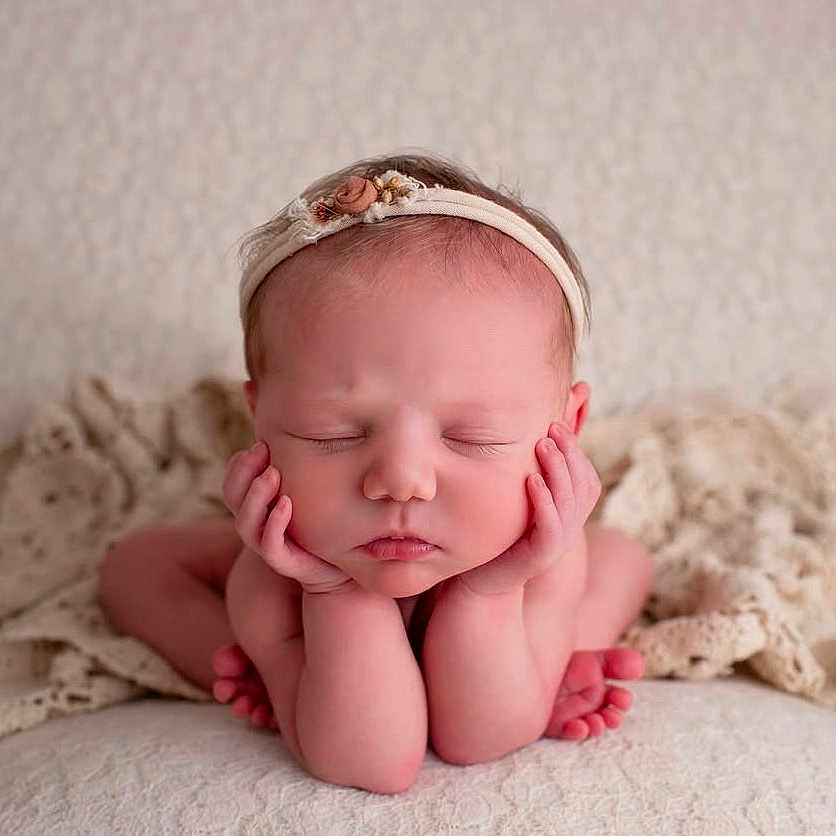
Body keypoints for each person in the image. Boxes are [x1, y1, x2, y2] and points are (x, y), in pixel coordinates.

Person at [98, 151, 653, 794]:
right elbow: (376, 764)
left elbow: (476, 741)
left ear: (567, 427)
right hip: (317, 560)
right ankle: (263, 671)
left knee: (621, 558)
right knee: (134, 565)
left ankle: (552, 658)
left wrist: (491, 591)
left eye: (473, 438)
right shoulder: (273, 579)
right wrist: (330, 591)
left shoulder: (537, 559)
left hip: (508, 573)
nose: (401, 481)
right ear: (260, 419)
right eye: (330, 434)